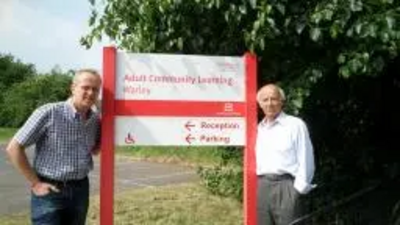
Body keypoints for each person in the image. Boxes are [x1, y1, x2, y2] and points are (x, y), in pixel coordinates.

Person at [6, 69, 102, 225]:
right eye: (85, 87)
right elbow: (14, 147)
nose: (90, 93)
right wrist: (36, 183)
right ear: (73, 87)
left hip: (80, 189)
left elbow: (96, 149)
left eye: (95, 89)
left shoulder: (94, 120)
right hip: (50, 191)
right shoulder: (49, 112)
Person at [255, 84, 315, 225]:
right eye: (265, 100)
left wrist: (298, 190)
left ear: (282, 101)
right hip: (262, 186)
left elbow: (306, 158)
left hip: (286, 186)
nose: (269, 103)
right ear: (260, 104)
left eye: (274, 99)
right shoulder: (258, 129)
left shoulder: (295, 125)